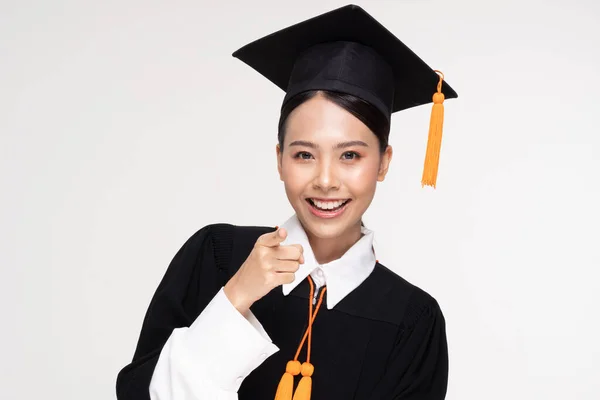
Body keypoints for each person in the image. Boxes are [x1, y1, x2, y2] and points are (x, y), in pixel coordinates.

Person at [116, 4, 457, 400]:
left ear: (383, 163)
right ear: (279, 159)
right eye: (304, 155)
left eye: (350, 155)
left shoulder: (412, 320)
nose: (326, 181)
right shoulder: (216, 258)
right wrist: (235, 298)